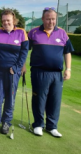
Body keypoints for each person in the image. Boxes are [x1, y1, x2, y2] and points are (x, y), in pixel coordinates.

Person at [27, 7, 74, 138]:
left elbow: (67, 52)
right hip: (39, 71)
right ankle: (38, 125)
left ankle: (52, 126)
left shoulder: (62, 33)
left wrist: (68, 69)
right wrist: (22, 66)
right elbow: (25, 50)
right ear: (43, 19)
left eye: (53, 19)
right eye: (48, 19)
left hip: (56, 73)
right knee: (39, 99)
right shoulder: (34, 32)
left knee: (55, 100)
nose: (51, 21)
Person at [0, 10, 29, 135]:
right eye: (4, 20)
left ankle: (6, 123)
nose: (6, 22)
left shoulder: (21, 33)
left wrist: (16, 68)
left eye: (8, 20)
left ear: (13, 20)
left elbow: (24, 53)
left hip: (12, 73)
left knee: (10, 98)